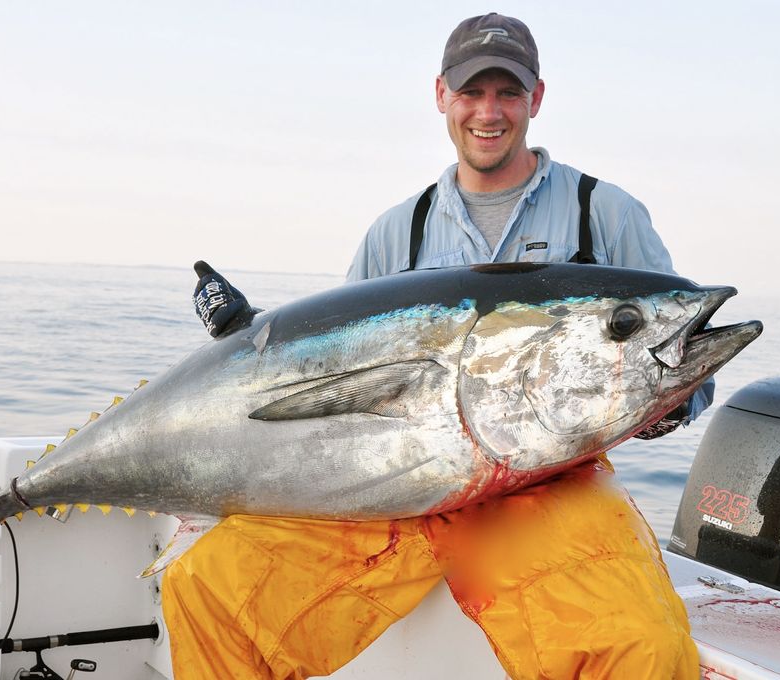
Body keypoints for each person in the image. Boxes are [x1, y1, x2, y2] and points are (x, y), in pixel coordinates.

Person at [166, 13, 702, 679]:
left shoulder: (606, 213)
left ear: (536, 100)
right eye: (472, 92)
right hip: (398, 488)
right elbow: (336, 369)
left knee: (640, 646)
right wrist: (247, 341)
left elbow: (678, 360)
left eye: (508, 93)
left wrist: (666, 402)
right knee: (208, 592)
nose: (489, 112)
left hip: (547, 491)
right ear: (441, 96)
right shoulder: (396, 233)